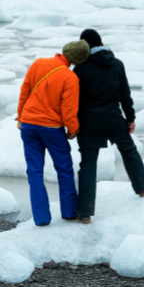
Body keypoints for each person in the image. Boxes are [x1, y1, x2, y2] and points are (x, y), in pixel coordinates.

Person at [74, 29, 144, 224]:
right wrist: (130, 117)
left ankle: (85, 213)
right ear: (101, 42)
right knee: (129, 151)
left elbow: (73, 101)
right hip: (114, 119)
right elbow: (125, 93)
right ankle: (142, 188)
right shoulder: (116, 64)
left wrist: (73, 124)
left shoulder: (80, 69)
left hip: (89, 124)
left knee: (88, 164)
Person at [16, 40, 90, 227]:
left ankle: (41, 218)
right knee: (64, 169)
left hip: (29, 125)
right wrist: (73, 130)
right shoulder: (70, 78)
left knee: (34, 172)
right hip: (52, 129)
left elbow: (24, 91)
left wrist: (20, 118)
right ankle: (69, 211)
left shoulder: (39, 63)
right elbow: (68, 111)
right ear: (79, 60)